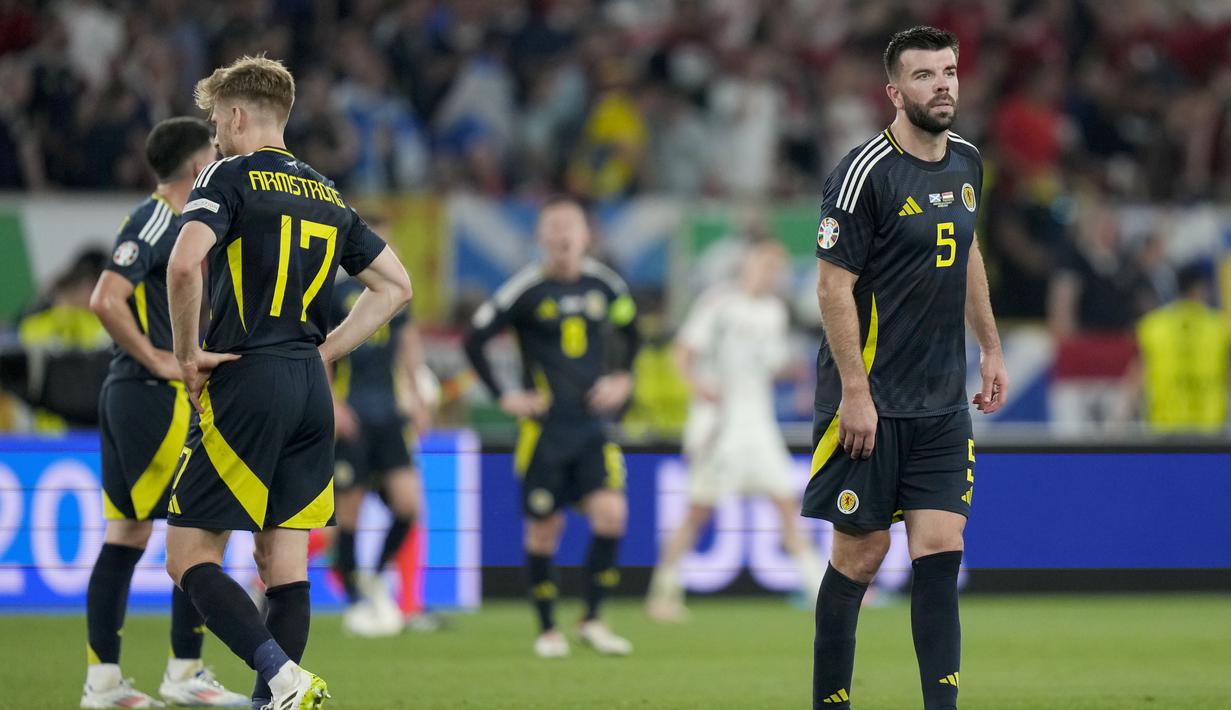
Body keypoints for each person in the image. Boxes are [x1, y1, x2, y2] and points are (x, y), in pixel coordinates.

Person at [163, 56, 412, 710]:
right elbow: (396, 287)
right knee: (284, 565)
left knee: (187, 554)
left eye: (217, 120)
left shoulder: (227, 175)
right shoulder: (328, 193)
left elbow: (185, 265)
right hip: (309, 387)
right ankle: (273, 698)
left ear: (238, 115)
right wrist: (327, 351)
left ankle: (281, 677)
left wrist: (187, 354)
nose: (214, 133)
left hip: (249, 376)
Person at [805, 27, 1008, 710]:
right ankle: (829, 701)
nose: (942, 84)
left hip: (940, 400)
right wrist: (853, 395)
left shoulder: (968, 163)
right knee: (858, 560)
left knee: (939, 546)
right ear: (893, 92)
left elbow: (967, 249)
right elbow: (832, 288)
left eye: (948, 71)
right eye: (924, 75)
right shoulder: (864, 172)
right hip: (869, 398)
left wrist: (989, 345)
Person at [81, 117, 248, 709]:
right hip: (150, 397)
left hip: (132, 395)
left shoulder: (183, 222)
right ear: (195, 164)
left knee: (127, 532)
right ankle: (184, 671)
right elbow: (105, 297)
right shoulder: (158, 217)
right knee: (198, 525)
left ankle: (103, 683)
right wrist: (155, 356)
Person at [463, 197, 640, 658]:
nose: (563, 236)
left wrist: (622, 377)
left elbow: (632, 330)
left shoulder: (607, 285)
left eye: (571, 227)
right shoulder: (526, 289)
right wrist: (506, 396)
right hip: (543, 431)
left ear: (586, 235)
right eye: (554, 228)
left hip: (592, 428)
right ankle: (547, 630)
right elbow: (475, 339)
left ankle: (593, 619)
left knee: (612, 516)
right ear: (541, 238)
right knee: (546, 529)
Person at [646, 238, 823, 622]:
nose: (769, 274)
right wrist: (699, 387)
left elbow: (769, 367)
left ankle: (818, 589)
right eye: (763, 264)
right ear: (748, 264)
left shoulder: (775, 313)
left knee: (786, 506)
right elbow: (682, 353)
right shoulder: (718, 304)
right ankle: (663, 592)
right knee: (698, 511)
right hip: (720, 425)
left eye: (776, 269)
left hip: (758, 424)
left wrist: (790, 372)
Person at [329, 245, 433, 637]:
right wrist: (333, 405)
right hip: (352, 415)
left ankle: (375, 576)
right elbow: (319, 351)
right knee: (348, 514)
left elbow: (407, 345)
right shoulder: (335, 293)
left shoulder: (395, 291)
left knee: (408, 504)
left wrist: (420, 395)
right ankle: (355, 601)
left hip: (390, 416)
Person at [1130, 263, 1230, 433]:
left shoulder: (1154, 325)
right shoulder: (1220, 326)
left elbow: (1136, 378)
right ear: (1200, 289)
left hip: (1164, 430)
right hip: (1209, 431)